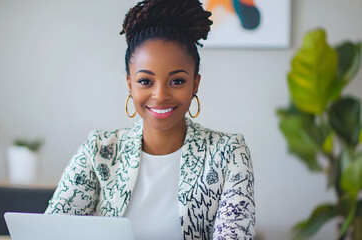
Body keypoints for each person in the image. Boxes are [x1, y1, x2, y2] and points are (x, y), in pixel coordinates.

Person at [45, 0, 255, 239]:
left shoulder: (227, 153)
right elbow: (53, 231)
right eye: (145, 81)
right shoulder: (99, 151)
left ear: (195, 84)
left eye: (177, 81)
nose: (161, 95)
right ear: (129, 84)